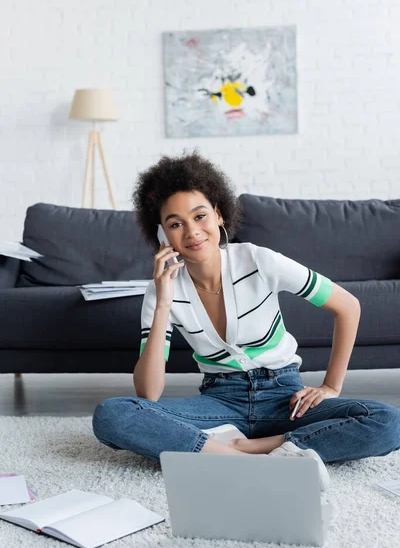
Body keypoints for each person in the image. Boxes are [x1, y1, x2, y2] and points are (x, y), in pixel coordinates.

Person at [92, 150, 400, 489]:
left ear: (219, 215)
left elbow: (348, 306)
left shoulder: (258, 260)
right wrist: (164, 302)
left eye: (200, 216)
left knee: (387, 421)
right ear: (163, 235)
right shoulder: (162, 291)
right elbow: (148, 393)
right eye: (176, 224)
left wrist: (331, 386)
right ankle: (257, 461)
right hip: (220, 402)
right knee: (112, 415)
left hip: (286, 400)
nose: (192, 232)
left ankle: (246, 449)